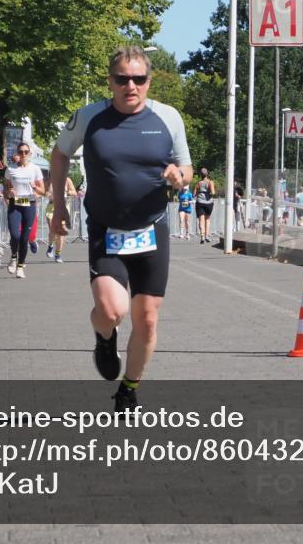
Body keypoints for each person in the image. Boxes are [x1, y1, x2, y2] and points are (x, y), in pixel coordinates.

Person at [50, 46, 192, 414]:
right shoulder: (89, 117)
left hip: (152, 227)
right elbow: (60, 152)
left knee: (146, 318)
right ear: (110, 81)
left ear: (149, 80)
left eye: (139, 79)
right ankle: (104, 336)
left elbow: (186, 168)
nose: (131, 86)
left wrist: (179, 178)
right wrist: (59, 205)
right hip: (106, 227)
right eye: (122, 79)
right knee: (112, 310)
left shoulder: (168, 117)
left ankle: (129, 389)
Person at [4, 142, 44, 279]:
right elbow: (6, 188)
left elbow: (42, 191)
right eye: (21, 151)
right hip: (15, 204)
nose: (24, 154)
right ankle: (13, 257)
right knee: (15, 235)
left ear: (30, 154)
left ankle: (20, 266)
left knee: (24, 238)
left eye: (26, 151)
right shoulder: (11, 169)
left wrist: (35, 189)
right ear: (17, 153)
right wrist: (9, 192)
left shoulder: (35, 169)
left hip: (29, 203)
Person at [45, 175, 77, 262]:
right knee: (53, 229)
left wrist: (68, 192)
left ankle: (58, 254)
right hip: (51, 207)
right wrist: (47, 194)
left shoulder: (67, 180)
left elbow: (74, 192)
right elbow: (45, 192)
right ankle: (51, 245)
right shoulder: (49, 181)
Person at [194, 168, 215, 243]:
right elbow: (213, 192)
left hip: (200, 202)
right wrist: (209, 193)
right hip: (209, 203)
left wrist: (199, 192)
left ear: (200, 175)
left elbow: (194, 194)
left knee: (201, 219)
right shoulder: (210, 182)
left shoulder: (198, 183)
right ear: (207, 174)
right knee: (207, 219)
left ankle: (202, 236)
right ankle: (207, 236)